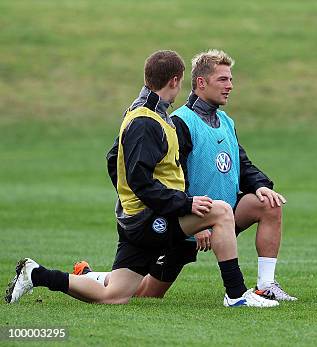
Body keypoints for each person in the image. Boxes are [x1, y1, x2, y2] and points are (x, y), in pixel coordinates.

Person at [5, 50, 278, 307]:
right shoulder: (146, 120)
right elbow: (140, 181)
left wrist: (133, 202)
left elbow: (115, 160)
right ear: (175, 80)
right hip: (149, 218)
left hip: (147, 215)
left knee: (114, 295)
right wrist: (181, 204)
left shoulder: (154, 114)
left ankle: (36, 274)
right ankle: (236, 295)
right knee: (219, 211)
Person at [73, 49, 296, 301]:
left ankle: (264, 286)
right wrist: (192, 217)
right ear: (201, 82)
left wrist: (261, 185)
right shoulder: (178, 122)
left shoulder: (225, 121)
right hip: (186, 218)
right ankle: (92, 276)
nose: (230, 86)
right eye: (223, 79)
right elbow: (152, 170)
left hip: (220, 214)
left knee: (268, 204)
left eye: (231, 79)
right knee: (148, 293)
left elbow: (241, 165)